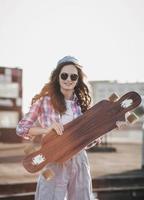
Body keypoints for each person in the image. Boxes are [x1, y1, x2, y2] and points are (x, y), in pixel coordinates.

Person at [16, 55, 99, 200]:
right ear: (57, 77)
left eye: (73, 76)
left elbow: (90, 141)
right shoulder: (44, 101)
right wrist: (46, 130)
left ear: (78, 80)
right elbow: (21, 128)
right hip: (53, 158)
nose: (68, 79)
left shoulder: (82, 105)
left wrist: (104, 130)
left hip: (79, 161)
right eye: (64, 75)